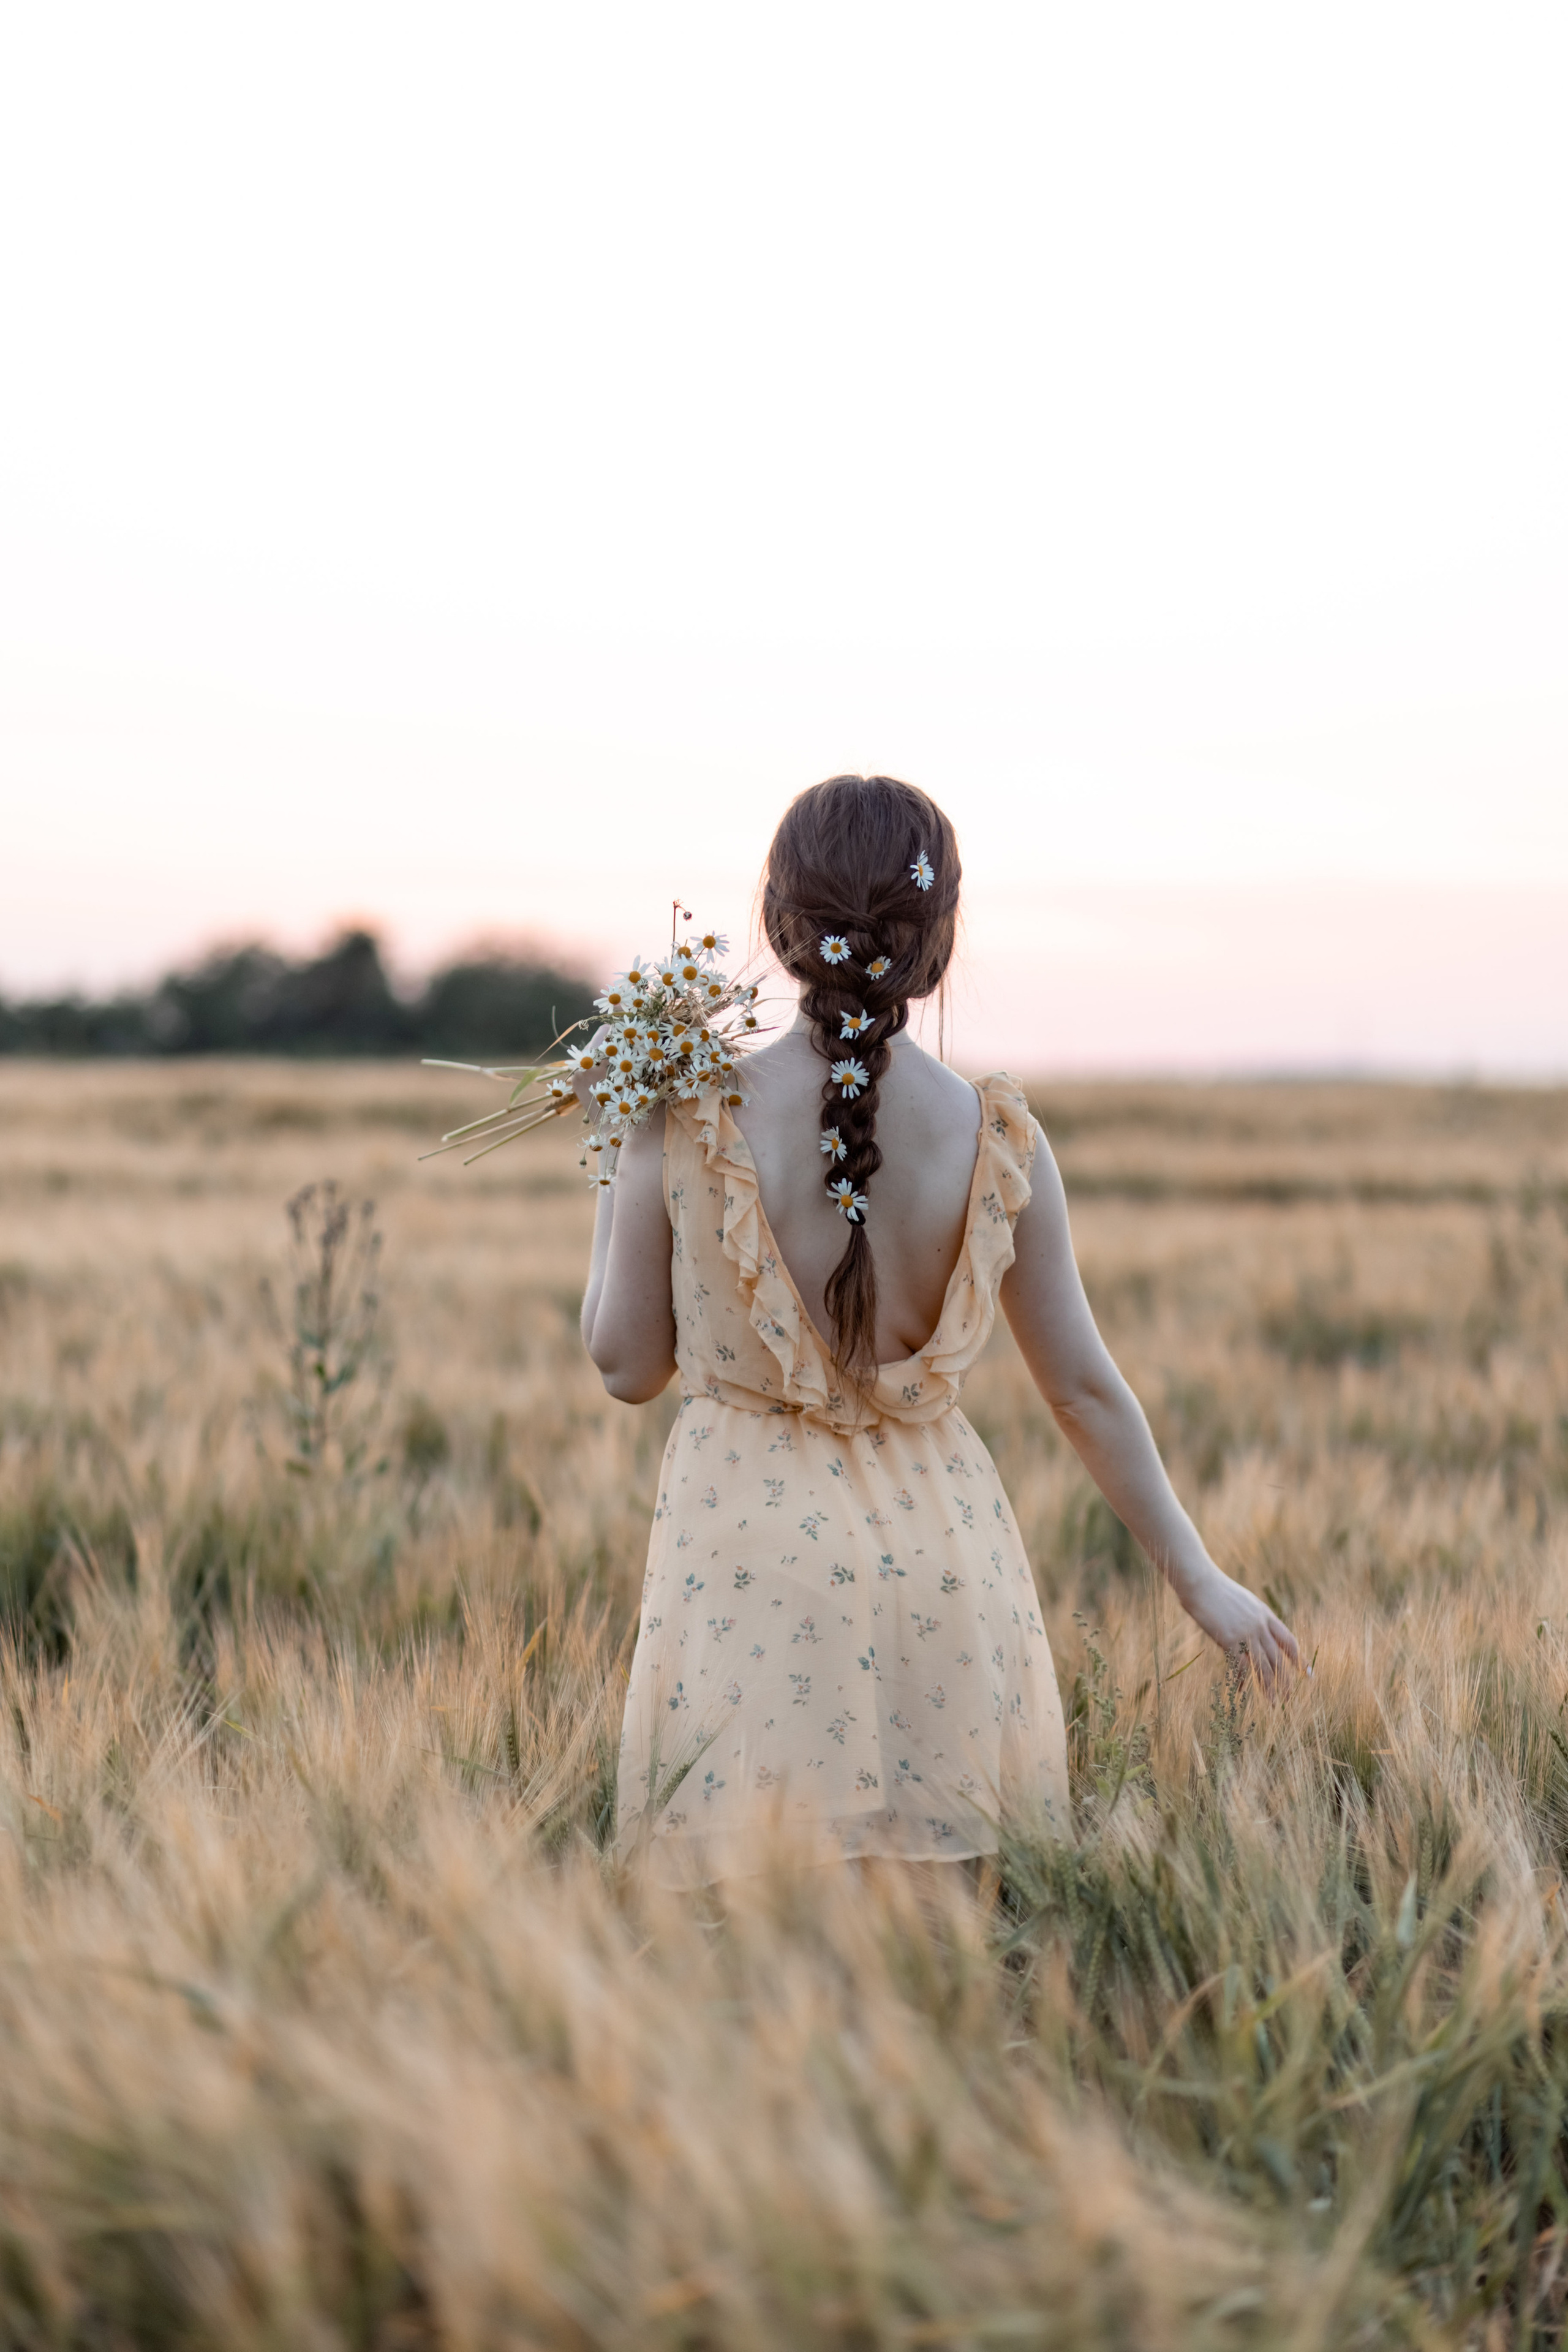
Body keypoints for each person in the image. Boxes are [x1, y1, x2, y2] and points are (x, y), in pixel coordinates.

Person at [578, 774, 1298, 1884]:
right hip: (947, 1566)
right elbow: (1084, 1390)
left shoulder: (689, 1115)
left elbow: (627, 1366)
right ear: (939, 943)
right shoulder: (995, 1133)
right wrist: (1200, 1579)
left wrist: (621, 1147)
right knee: (941, 1946)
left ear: (778, 928)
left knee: (751, 1953)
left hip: (749, 1572)